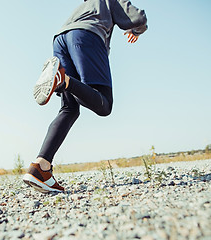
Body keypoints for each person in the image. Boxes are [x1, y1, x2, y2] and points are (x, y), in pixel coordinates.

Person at [23, 0, 148, 193]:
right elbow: (138, 18)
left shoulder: (84, 5)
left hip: (60, 39)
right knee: (104, 105)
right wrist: (137, 30)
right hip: (86, 37)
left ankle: (41, 167)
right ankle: (62, 79)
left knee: (69, 109)